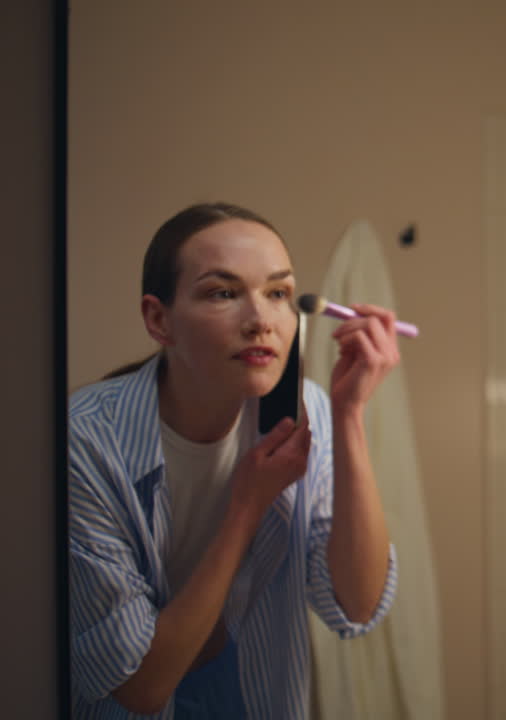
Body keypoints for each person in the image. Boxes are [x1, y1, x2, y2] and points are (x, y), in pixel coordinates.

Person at [69, 203, 402, 719]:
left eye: (278, 293)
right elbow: (140, 688)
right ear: (159, 319)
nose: (261, 321)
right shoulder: (86, 441)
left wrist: (348, 413)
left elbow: (356, 604)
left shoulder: (307, 409)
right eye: (223, 293)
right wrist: (246, 510)